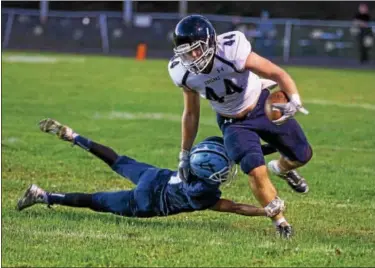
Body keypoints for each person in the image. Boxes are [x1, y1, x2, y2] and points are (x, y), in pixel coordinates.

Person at [168, 15, 313, 238]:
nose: (193, 56)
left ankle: (282, 168)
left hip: (262, 106)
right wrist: (184, 154)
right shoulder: (183, 73)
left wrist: (294, 99)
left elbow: (276, 73)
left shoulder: (231, 50)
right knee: (255, 170)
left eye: (197, 49)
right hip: (232, 122)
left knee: (302, 155)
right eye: (187, 51)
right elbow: (190, 113)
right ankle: (280, 222)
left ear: (209, 43)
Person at [17, 118, 285, 224]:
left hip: (155, 176)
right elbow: (236, 207)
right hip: (148, 201)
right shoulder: (204, 191)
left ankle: (74, 136)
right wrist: (266, 210)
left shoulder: (201, 157)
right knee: (94, 200)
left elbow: (236, 152)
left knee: (117, 160)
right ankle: (43, 195)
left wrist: (273, 147)